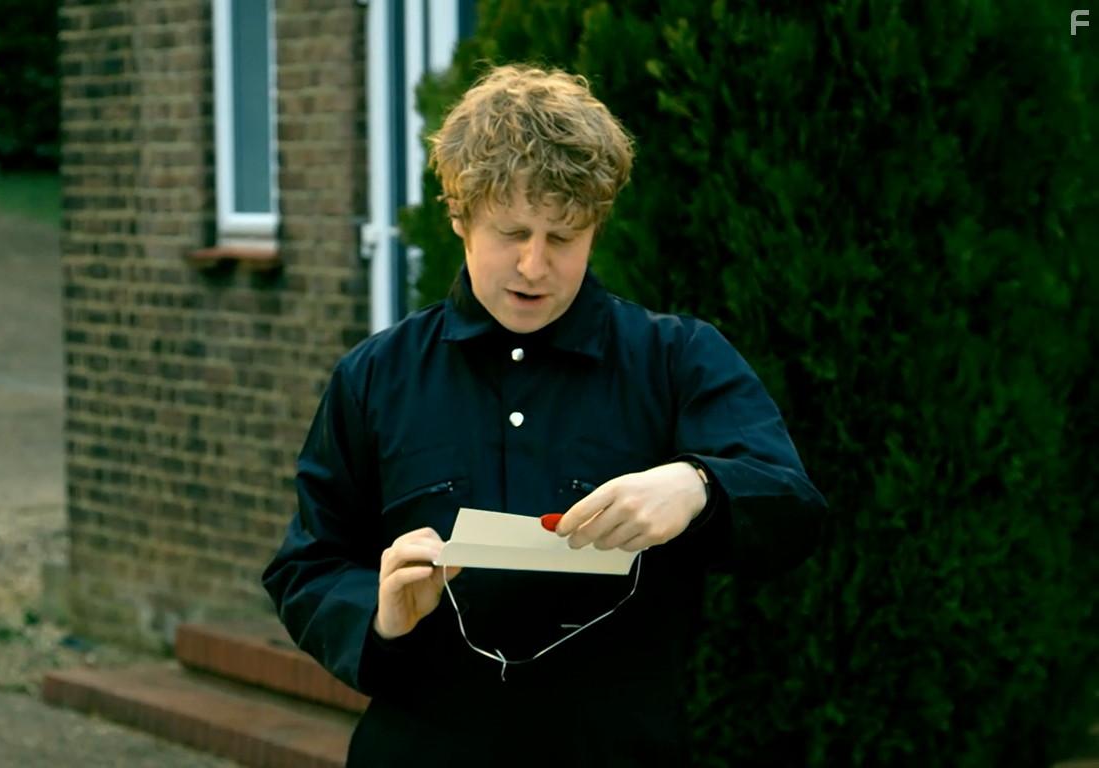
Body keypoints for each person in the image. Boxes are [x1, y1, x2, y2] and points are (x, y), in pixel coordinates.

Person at [262, 63, 827, 767]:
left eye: (563, 237)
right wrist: (379, 614)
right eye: (512, 232)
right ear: (459, 217)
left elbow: (794, 507)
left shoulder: (676, 359)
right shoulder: (375, 376)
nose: (534, 265)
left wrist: (698, 486)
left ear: (596, 228)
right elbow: (306, 565)